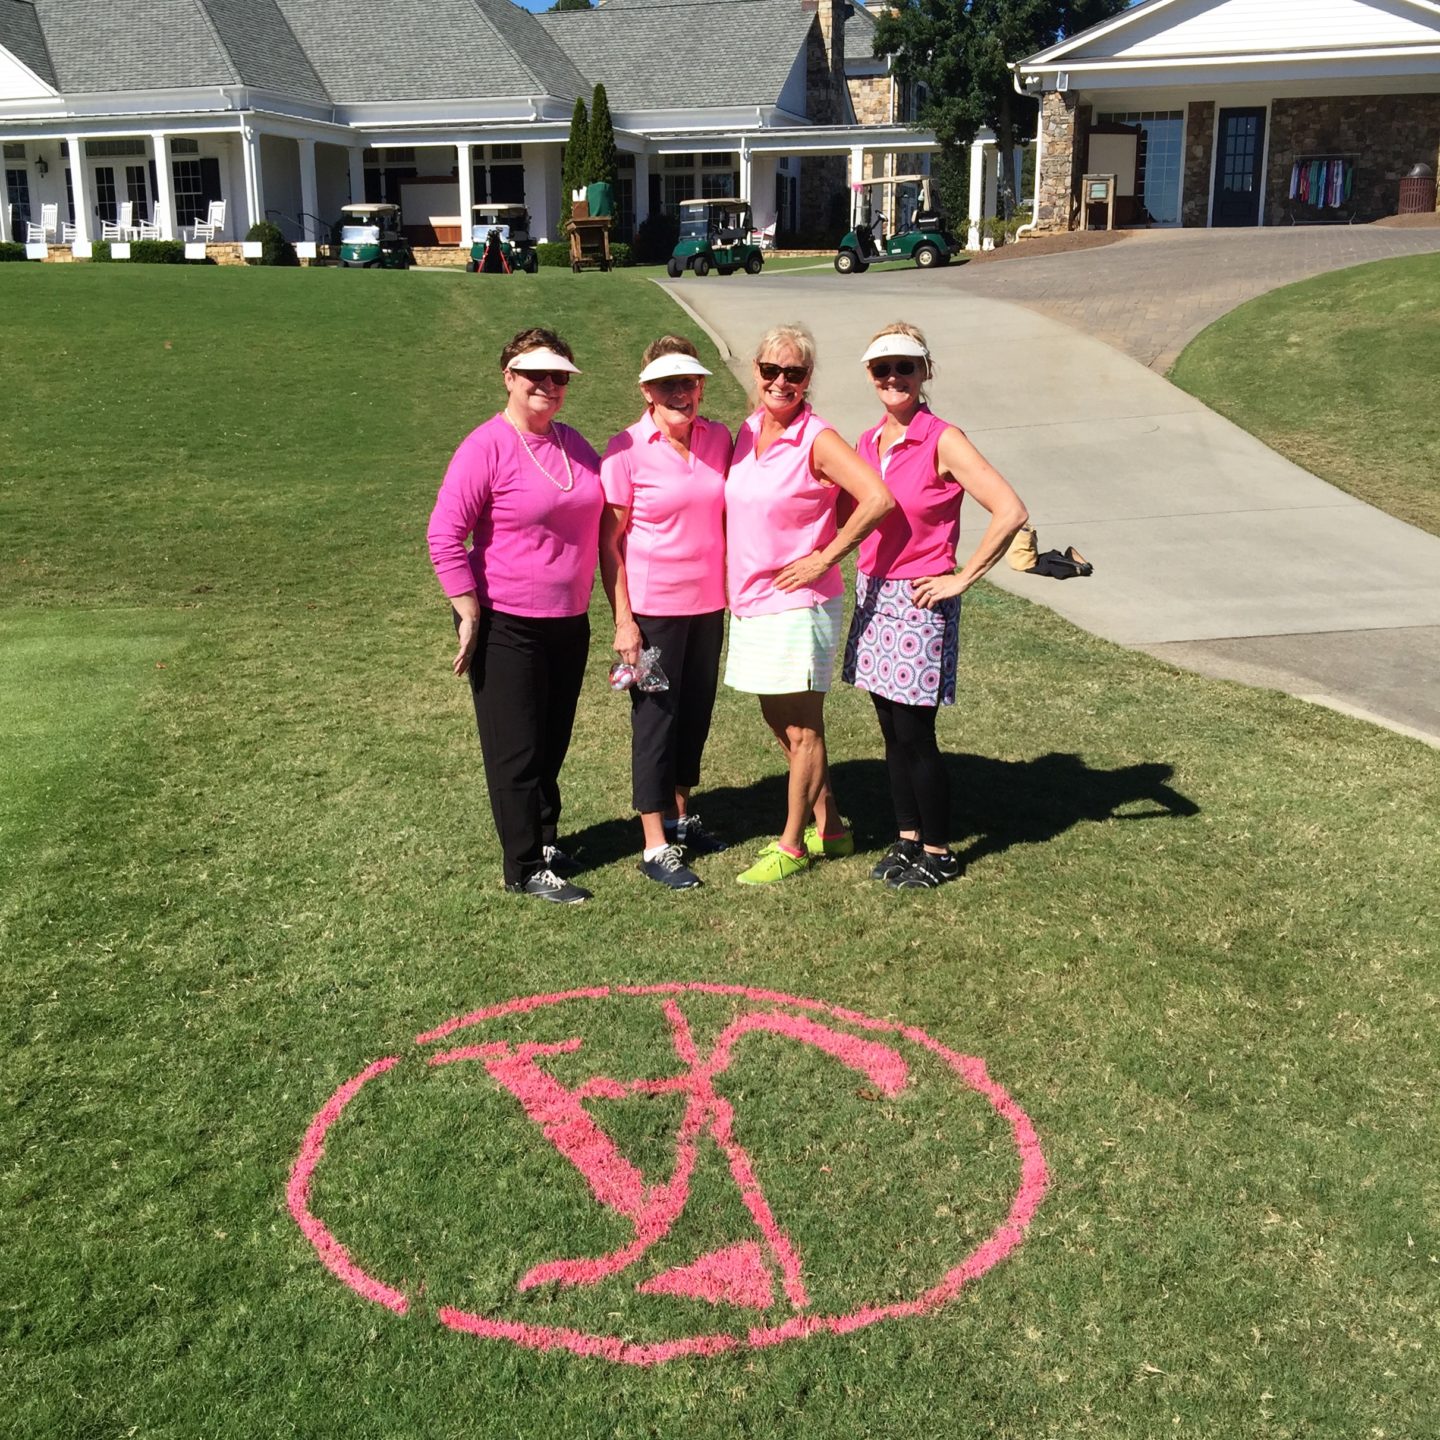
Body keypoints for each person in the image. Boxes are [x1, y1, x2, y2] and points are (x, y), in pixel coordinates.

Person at [842, 322, 1029, 888]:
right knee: (889, 730)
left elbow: (1010, 509)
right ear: (870, 377)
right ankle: (907, 840)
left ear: (925, 373)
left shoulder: (943, 438)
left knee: (915, 733)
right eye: (882, 368)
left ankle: (940, 850)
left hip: (919, 597)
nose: (893, 377)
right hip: (873, 592)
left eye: (905, 366)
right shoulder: (867, 442)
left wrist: (961, 578)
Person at [426, 327, 603, 905]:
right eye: (536, 376)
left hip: (568, 618)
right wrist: (468, 610)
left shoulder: (574, 444)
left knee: (552, 742)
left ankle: (546, 841)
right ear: (509, 377)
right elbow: (445, 534)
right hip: (507, 622)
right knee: (517, 749)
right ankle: (522, 865)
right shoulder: (486, 446)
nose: (549, 386)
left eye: (559, 377)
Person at [724, 323, 893, 885]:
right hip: (751, 600)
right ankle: (835, 826)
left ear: (807, 379)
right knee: (780, 721)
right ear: (756, 370)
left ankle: (792, 843)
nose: (780, 381)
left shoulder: (817, 437)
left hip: (801, 602)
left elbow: (878, 498)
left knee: (803, 730)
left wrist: (826, 557)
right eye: (771, 370)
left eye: (793, 373)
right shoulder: (746, 432)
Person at [599, 336, 732, 890]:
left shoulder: (719, 438)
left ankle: (679, 817)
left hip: (709, 606)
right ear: (646, 391)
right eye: (667, 385)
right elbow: (611, 545)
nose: (680, 394)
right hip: (653, 612)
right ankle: (655, 845)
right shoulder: (625, 449)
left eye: (689, 383)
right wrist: (624, 622)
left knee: (695, 716)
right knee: (656, 722)